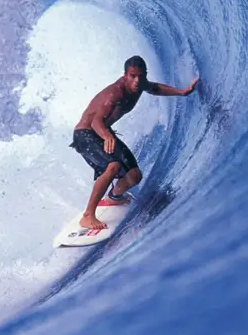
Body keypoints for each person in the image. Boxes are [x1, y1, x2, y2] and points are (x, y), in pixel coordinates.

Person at [69, 55, 199, 229]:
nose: (137, 80)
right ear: (125, 75)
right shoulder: (115, 93)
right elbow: (96, 121)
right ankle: (88, 215)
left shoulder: (140, 84)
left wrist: (181, 92)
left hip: (102, 134)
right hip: (85, 134)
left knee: (134, 176)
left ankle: (114, 197)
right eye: (132, 76)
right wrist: (107, 136)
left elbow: (155, 88)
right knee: (113, 166)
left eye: (140, 76)